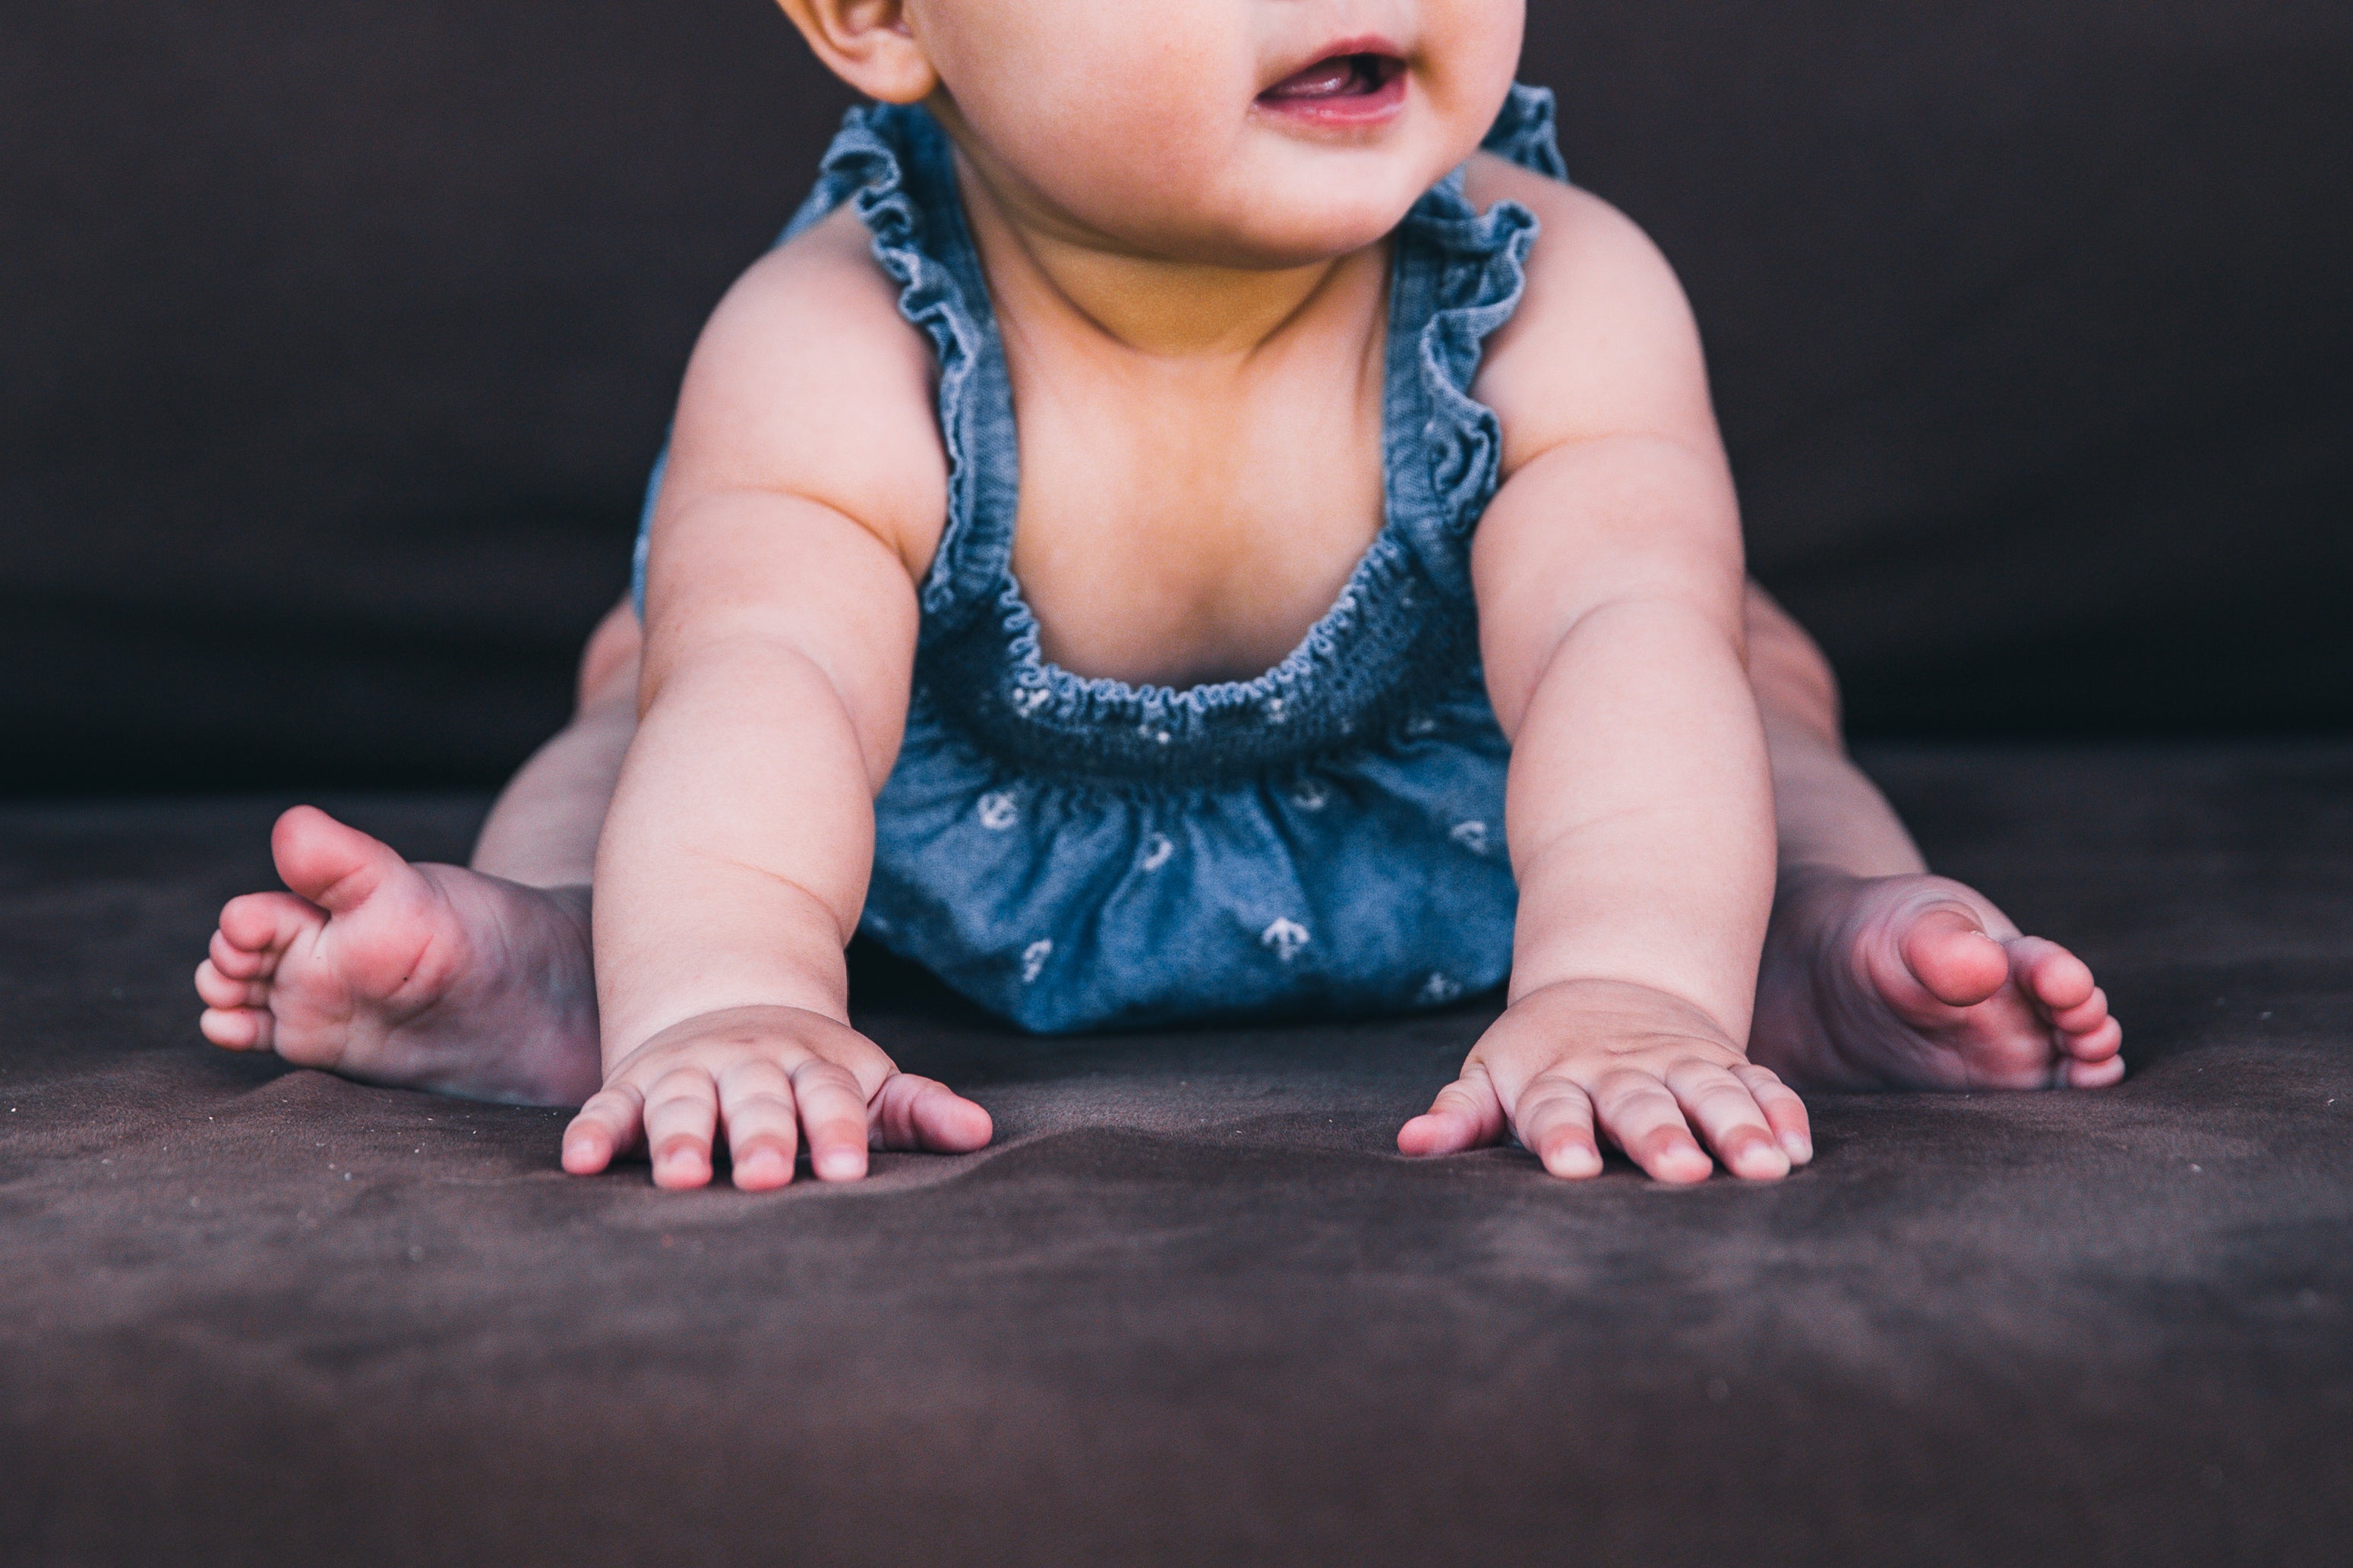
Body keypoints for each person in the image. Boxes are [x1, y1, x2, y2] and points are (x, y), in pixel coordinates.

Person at [194, 0, 2123, 1191]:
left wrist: (1626, 983)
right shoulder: (836, 345)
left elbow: (1617, 649)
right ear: (879, 11)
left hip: (1491, 829)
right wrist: (735, 999)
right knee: (664, 683)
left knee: (1726, 655)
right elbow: (773, 687)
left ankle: (1766, 958)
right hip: (916, 852)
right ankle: (581, 965)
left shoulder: (1557, 292)